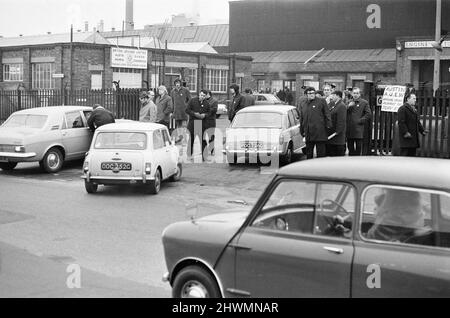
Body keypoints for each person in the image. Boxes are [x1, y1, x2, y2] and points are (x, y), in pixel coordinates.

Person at [299, 87, 332, 159]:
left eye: (313, 93)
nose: (312, 95)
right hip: (308, 133)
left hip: (320, 133)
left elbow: (327, 115)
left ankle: (320, 168)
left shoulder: (321, 101)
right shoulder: (303, 103)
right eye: (310, 93)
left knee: (320, 154)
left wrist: (328, 128)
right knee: (309, 154)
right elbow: (302, 118)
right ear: (306, 94)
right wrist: (301, 130)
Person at [186, 89, 210, 160]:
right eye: (201, 95)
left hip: (202, 124)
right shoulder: (192, 101)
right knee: (191, 140)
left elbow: (209, 113)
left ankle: (204, 156)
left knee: (203, 141)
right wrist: (194, 114)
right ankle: (189, 155)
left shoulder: (207, 103)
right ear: (199, 94)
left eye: (204, 96)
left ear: (205, 96)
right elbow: (187, 110)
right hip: (193, 123)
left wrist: (205, 115)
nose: (202, 97)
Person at [346, 87, 371, 156]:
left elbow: (368, 114)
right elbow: (343, 113)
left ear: (359, 94)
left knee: (358, 146)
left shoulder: (364, 103)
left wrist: (360, 121)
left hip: (359, 128)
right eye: (354, 93)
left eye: (357, 93)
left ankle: (357, 161)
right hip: (349, 128)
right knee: (350, 147)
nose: (355, 95)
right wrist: (348, 106)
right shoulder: (348, 102)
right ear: (352, 94)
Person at [326, 90, 347, 156]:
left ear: (337, 96)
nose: (332, 97)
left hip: (337, 138)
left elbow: (341, 121)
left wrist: (336, 132)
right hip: (332, 137)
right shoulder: (334, 104)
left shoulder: (341, 106)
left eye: (333, 95)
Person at [170, 78, 191, 143]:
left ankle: (184, 139)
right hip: (176, 112)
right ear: (175, 84)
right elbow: (172, 101)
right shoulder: (172, 91)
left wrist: (186, 106)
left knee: (184, 126)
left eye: (178, 83)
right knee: (178, 126)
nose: (177, 84)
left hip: (184, 112)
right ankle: (180, 138)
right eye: (176, 83)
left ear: (180, 84)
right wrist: (172, 111)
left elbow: (189, 99)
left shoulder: (185, 90)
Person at [205, 90, 218, 156]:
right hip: (204, 121)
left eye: (205, 94)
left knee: (211, 136)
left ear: (208, 94)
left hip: (211, 121)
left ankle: (212, 150)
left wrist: (206, 109)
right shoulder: (203, 100)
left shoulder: (214, 101)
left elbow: (214, 110)